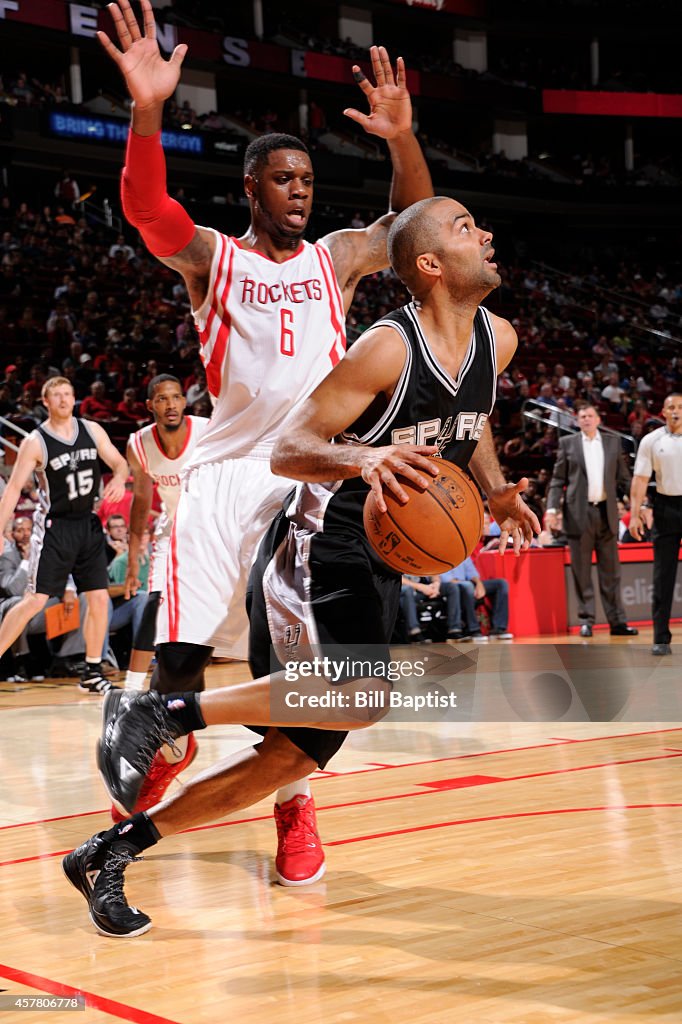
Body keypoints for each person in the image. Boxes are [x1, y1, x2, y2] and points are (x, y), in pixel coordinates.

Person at [63, 194, 541, 937]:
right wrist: (367, 455)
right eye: (464, 228)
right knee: (365, 692)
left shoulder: (499, 339)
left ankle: (113, 851)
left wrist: (496, 488)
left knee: (292, 757)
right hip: (321, 541)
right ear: (431, 265)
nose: (485, 233)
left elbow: (469, 422)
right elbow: (291, 450)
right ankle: (164, 710)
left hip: (378, 560)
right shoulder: (387, 348)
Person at [96, 0, 434, 886]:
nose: (300, 192)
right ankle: (162, 742)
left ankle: (294, 802)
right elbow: (146, 209)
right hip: (221, 472)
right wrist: (145, 109)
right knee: (178, 652)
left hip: (307, 475)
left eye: (308, 181)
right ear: (252, 187)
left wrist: (401, 141)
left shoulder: (337, 258)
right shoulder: (215, 258)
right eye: (284, 180)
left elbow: (418, 232)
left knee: (295, 660)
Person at [0, 377, 128, 693]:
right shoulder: (35, 441)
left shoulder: (92, 430)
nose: (63, 400)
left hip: (87, 524)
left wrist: (120, 478)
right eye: (56, 395)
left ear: (74, 398)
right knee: (34, 601)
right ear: (45, 401)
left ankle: (92, 671)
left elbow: (119, 462)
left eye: (68, 394)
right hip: (54, 528)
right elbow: (14, 489)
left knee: (98, 598)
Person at [545, 404, 638, 638]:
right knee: (582, 572)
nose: (586, 419)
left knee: (612, 572)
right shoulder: (568, 444)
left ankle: (617, 622)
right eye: (582, 416)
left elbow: (624, 479)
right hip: (578, 514)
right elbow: (557, 479)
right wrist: (552, 509)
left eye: (590, 416)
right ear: (577, 421)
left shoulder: (612, 443)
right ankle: (586, 620)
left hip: (606, 514)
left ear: (598, 419)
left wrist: (640, 504)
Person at [629, 393, 682, 655]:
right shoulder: (651, 440)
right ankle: (661, 637)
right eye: (671, 407)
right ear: (663, 411)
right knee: (663, 575)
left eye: (681, 407)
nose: (676, 411)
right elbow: (639, 480)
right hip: (665, 507)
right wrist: (634, 513)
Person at [439, 558, 513, 641]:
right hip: (448, 586)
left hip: (467, 583)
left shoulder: (462, 551)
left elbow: (472, 573)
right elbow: (443, 578)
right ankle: (473, 629)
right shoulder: (438, 552)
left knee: (501, 584)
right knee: (468, 586)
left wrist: (478, 583)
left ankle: (499, 628)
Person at [399, 575, 440, 641]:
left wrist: (436, 584)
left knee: (451, 587)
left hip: (423, 587)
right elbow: (399, 578)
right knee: (408, 590)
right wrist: (420, 587)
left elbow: (435, 572)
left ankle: (454, 629)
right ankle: (414, 631)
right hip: (402, 589)